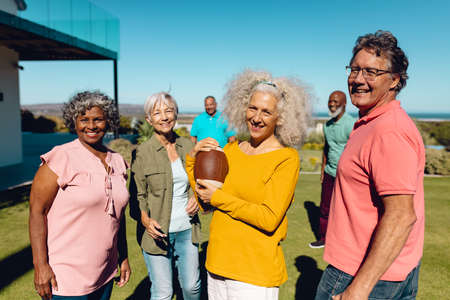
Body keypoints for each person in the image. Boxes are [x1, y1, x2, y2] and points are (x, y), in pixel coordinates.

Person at [315, 30, 425, 300]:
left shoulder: (388, 131)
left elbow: (401, 216)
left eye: (371, 72)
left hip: (361, 274)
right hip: (387, 270)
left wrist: (358, 290)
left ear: (394, 80)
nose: (358, 79)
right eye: (354, 69)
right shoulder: (373, 123)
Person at [186, 69, 311, 300]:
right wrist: (192, 160)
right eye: (253, 108)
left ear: (280, 117)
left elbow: (269, 218)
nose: (256, 117)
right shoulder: (231, 151)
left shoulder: (286, 158)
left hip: (253, 273)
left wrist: (218, 197)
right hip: (216, 266)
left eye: (266, 112)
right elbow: (205, 204)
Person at [29, 91, 131, 300]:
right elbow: (37, 212)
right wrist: (40, 265)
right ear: (73, 122)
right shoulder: (60, 157)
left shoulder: (118, 161)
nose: (91, 126)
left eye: (98, 119)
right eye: (84, 119)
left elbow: (117, 215)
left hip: (105, 273)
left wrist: (124, 256)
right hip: (66, 277)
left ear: (108, 122)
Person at [131, 92, 201, 300]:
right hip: (157, 234)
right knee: (163, 293)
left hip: (187, 230)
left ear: (176, 115)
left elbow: (197, 183)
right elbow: (138, 194)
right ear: (149, 119)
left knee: (191, 288)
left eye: (169, 111)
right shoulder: (142, 152)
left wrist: (196, 197)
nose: (164, 117)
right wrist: (145, 219)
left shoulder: (188, 147)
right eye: (157, 112)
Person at [309, 91, 355, 249]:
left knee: (345, 210)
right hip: (330, 172)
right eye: (330, 101)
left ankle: (345, 242)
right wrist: (323, 170)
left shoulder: (352, 124)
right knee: (325, 207)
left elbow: (356, 150)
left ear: (344, 104)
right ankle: (323, 238)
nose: (332, 104)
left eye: (335, 101)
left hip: (347, 175)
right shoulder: (327, 125)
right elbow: (326, 148)